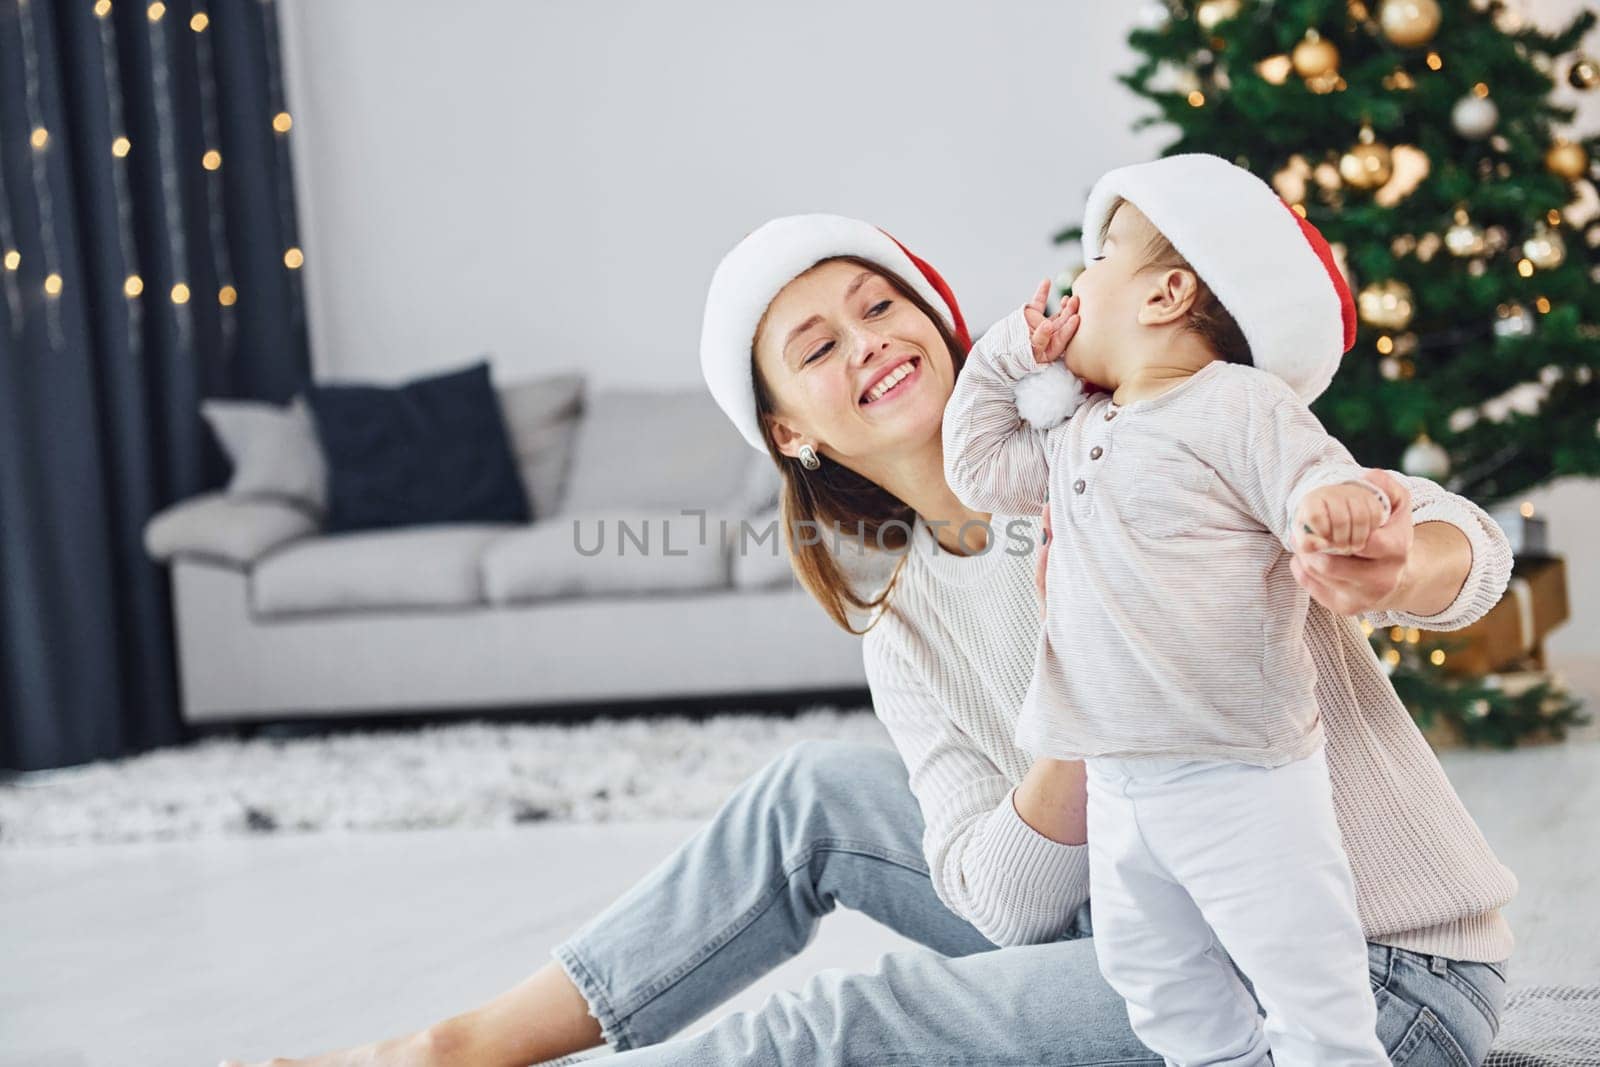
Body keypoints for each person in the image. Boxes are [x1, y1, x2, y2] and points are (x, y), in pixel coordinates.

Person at [223, 210, 1516, 1067]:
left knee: (834, 1025)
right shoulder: (901, 614)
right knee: (811, 794)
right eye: (818, 343)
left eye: (880, 304)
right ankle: (470, 1043)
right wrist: (1084, 714)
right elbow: (1007, 903)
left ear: (942, 321)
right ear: (793, 429)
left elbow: (1464, 544)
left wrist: (1405, 554)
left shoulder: (1129, 436)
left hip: (1366, 975)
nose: (872, 342)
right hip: (1151, 933)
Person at [942, 154, 1413, 1064]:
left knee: (1305, 974)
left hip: (1240, 772)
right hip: (1118, 774)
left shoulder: (1239, 404)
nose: (1078, 281)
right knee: (1154, 980)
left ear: (1166, 294)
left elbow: (1314, 477)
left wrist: (1331, 506)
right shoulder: (1079, 429)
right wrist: (1009, 351)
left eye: (1100, 259)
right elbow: (975, 466)